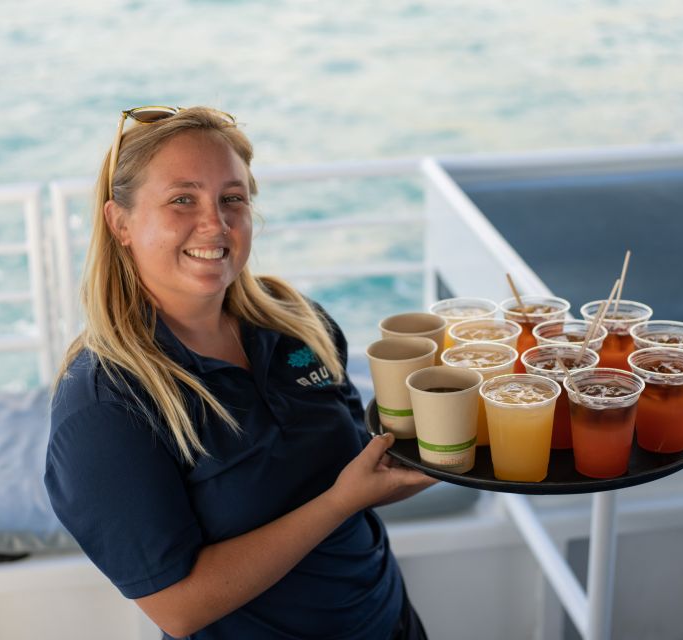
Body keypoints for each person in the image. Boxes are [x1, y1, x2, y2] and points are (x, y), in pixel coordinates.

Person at [44, 106, 438, 639]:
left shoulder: (298, 321)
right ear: (121, 223)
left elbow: (361, 461)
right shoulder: (104, 404)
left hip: (388, 621)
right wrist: (341, 502)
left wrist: (453, 439)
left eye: (232, 199)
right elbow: (176, 609)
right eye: (182, 199)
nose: (215, 223)